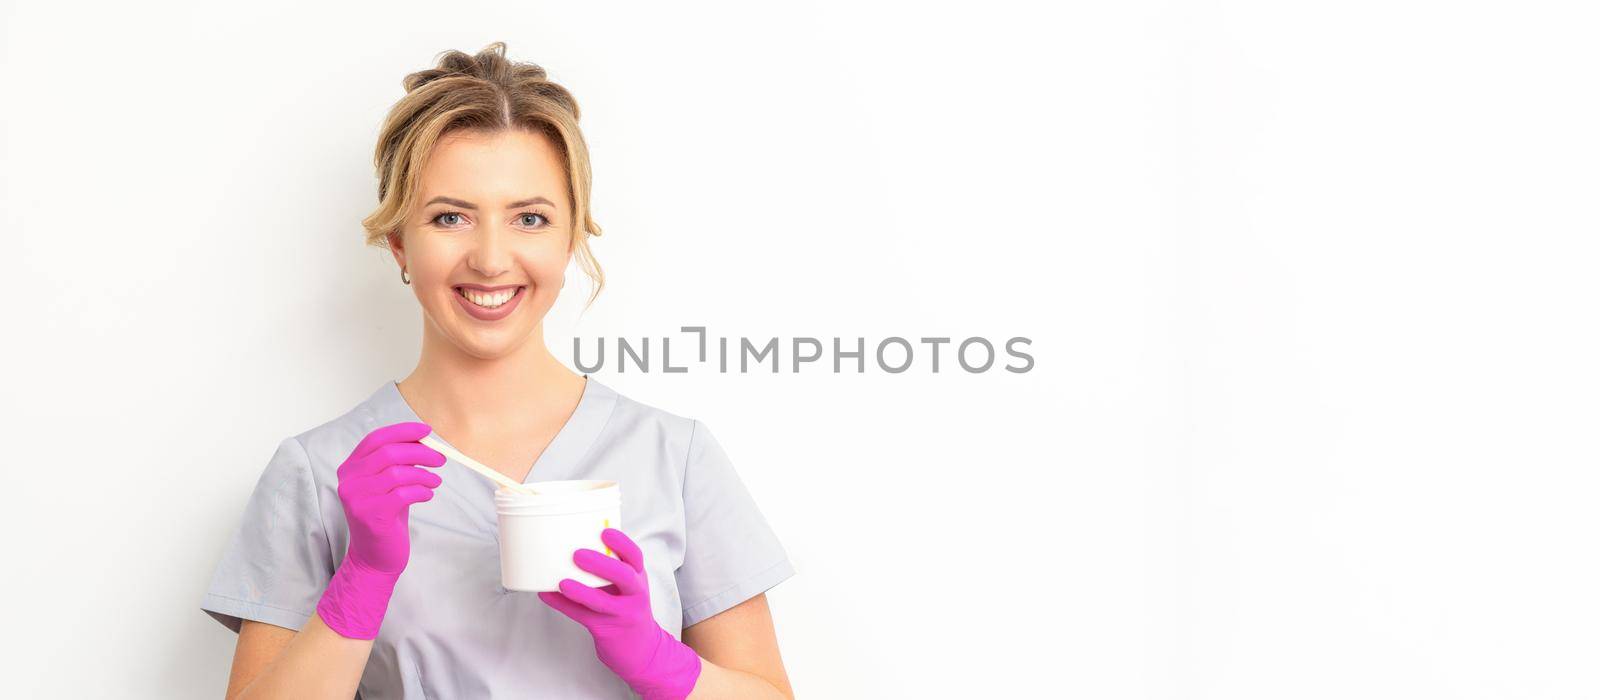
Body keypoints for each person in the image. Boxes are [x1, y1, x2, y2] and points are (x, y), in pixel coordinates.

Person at [199, 42, 797, 700]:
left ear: (570, 239)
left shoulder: (673, 457)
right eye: (449, 217)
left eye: (530, 218)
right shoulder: (317, 475)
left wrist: (659, 659)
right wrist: (362, 581)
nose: (490, 259)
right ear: (400, 241)